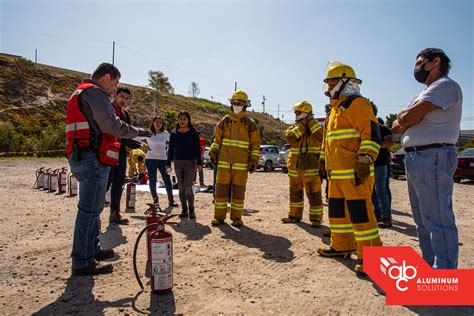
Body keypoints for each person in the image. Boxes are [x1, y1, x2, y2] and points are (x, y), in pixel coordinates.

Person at [66, 63, 152, 276]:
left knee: (92, 210)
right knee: (89, 211)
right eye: (115, 83)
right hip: (92, 157)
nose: (115, 89)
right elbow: (111, 125)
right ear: (106, 77)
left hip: (84, 154)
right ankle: (82, 261)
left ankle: (91, 250)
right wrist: (139, 132)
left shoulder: (82, 91)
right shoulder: (95, 93)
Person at [392, 48, 462, 269]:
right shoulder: (423, 93)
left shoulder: (445, 86)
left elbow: (407, 117)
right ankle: (428, 264)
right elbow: (396, 126)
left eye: (421, 62)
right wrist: (408, 117)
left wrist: (408, 116)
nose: (417, 68)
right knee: (422, 220)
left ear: (436, 62)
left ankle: (445, 273)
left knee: (438, 219)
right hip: (415, 157)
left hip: (434, 156)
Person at [317, 61, 383, 275]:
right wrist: (321, 161)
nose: (328, 86)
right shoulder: (334, 111)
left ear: (344, 81)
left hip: (355, 174)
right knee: (338, 214)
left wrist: (365, 160)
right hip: (336, 175)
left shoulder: (358, 104)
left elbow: (371, 134)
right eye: (327, 82)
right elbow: (328, 142)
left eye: (332, 81)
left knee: (362, 216)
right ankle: (342, 245)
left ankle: (371, 260)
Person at [209, 90, 261, 227]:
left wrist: (253, 160)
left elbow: (255, 144)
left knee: (238, 194)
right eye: (235, 103)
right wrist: (213, 151)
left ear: (245, 105)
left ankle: (236, 218)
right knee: (220, 193)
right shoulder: (225, 121)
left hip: (241, 166)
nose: (237, 105)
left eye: (240, 103)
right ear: (231, 104)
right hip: (224, 164)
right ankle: (219, 218)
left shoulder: (250, 124)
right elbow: (217, 139)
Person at [281, 101, 324, 227]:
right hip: (295, 167)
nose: (296, 114)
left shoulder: (317, 127)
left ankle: (316, 219)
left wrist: (310, 123)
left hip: (311, 168)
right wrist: (302, 126)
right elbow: (289, 138)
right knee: (295, 193)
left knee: (314, 195)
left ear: (306, 113)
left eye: (298, 112)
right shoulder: (295, 126)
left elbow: (321, 137)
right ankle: (294, 215)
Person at [106, 87, 142, 225]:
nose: (124, 100)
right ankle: (94, 216)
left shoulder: (125, 114)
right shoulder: (106, 108)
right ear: (115, 95)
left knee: (119, 182)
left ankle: (115, 213)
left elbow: (126, 135)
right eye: (122, 97)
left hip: (120, 152)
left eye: (127, 99)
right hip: (106, 151)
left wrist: (136, 145)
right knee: (105, 182)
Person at [166, 111, 202, 219]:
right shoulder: (174, 134)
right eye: (180, 119)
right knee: (181, 188)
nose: (182, 121)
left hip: (190, 162)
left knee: (188, 187)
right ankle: (184, 210)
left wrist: (199, 163)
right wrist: (168, 163)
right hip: (178, 162)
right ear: (178, 120)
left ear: (188, 120)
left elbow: (197, 149)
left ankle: (192, 210)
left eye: (185, 119)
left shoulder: (194, 133)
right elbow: (171, 149)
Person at [144, 116, 178, 208]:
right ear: (153, 123)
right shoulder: (148, 133)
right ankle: (155, 201)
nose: (158, 124)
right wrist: (142, 144)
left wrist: (169, 150)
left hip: (163, 159)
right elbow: (135, 138)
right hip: (150, 159)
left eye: (160, 122)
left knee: (167, 179)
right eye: (156, 122)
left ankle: (171, 200)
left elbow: (174, 142)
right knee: (152, 180)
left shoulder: (165, 133)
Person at [371, 117, 393, 227]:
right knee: (372, 191)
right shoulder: (365, 128)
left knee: (381, 189)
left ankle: (386, 217)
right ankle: (378, 215)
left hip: (380, 164)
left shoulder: (383, 129)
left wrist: (374, 146)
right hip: (369, 164)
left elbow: (389, 143)